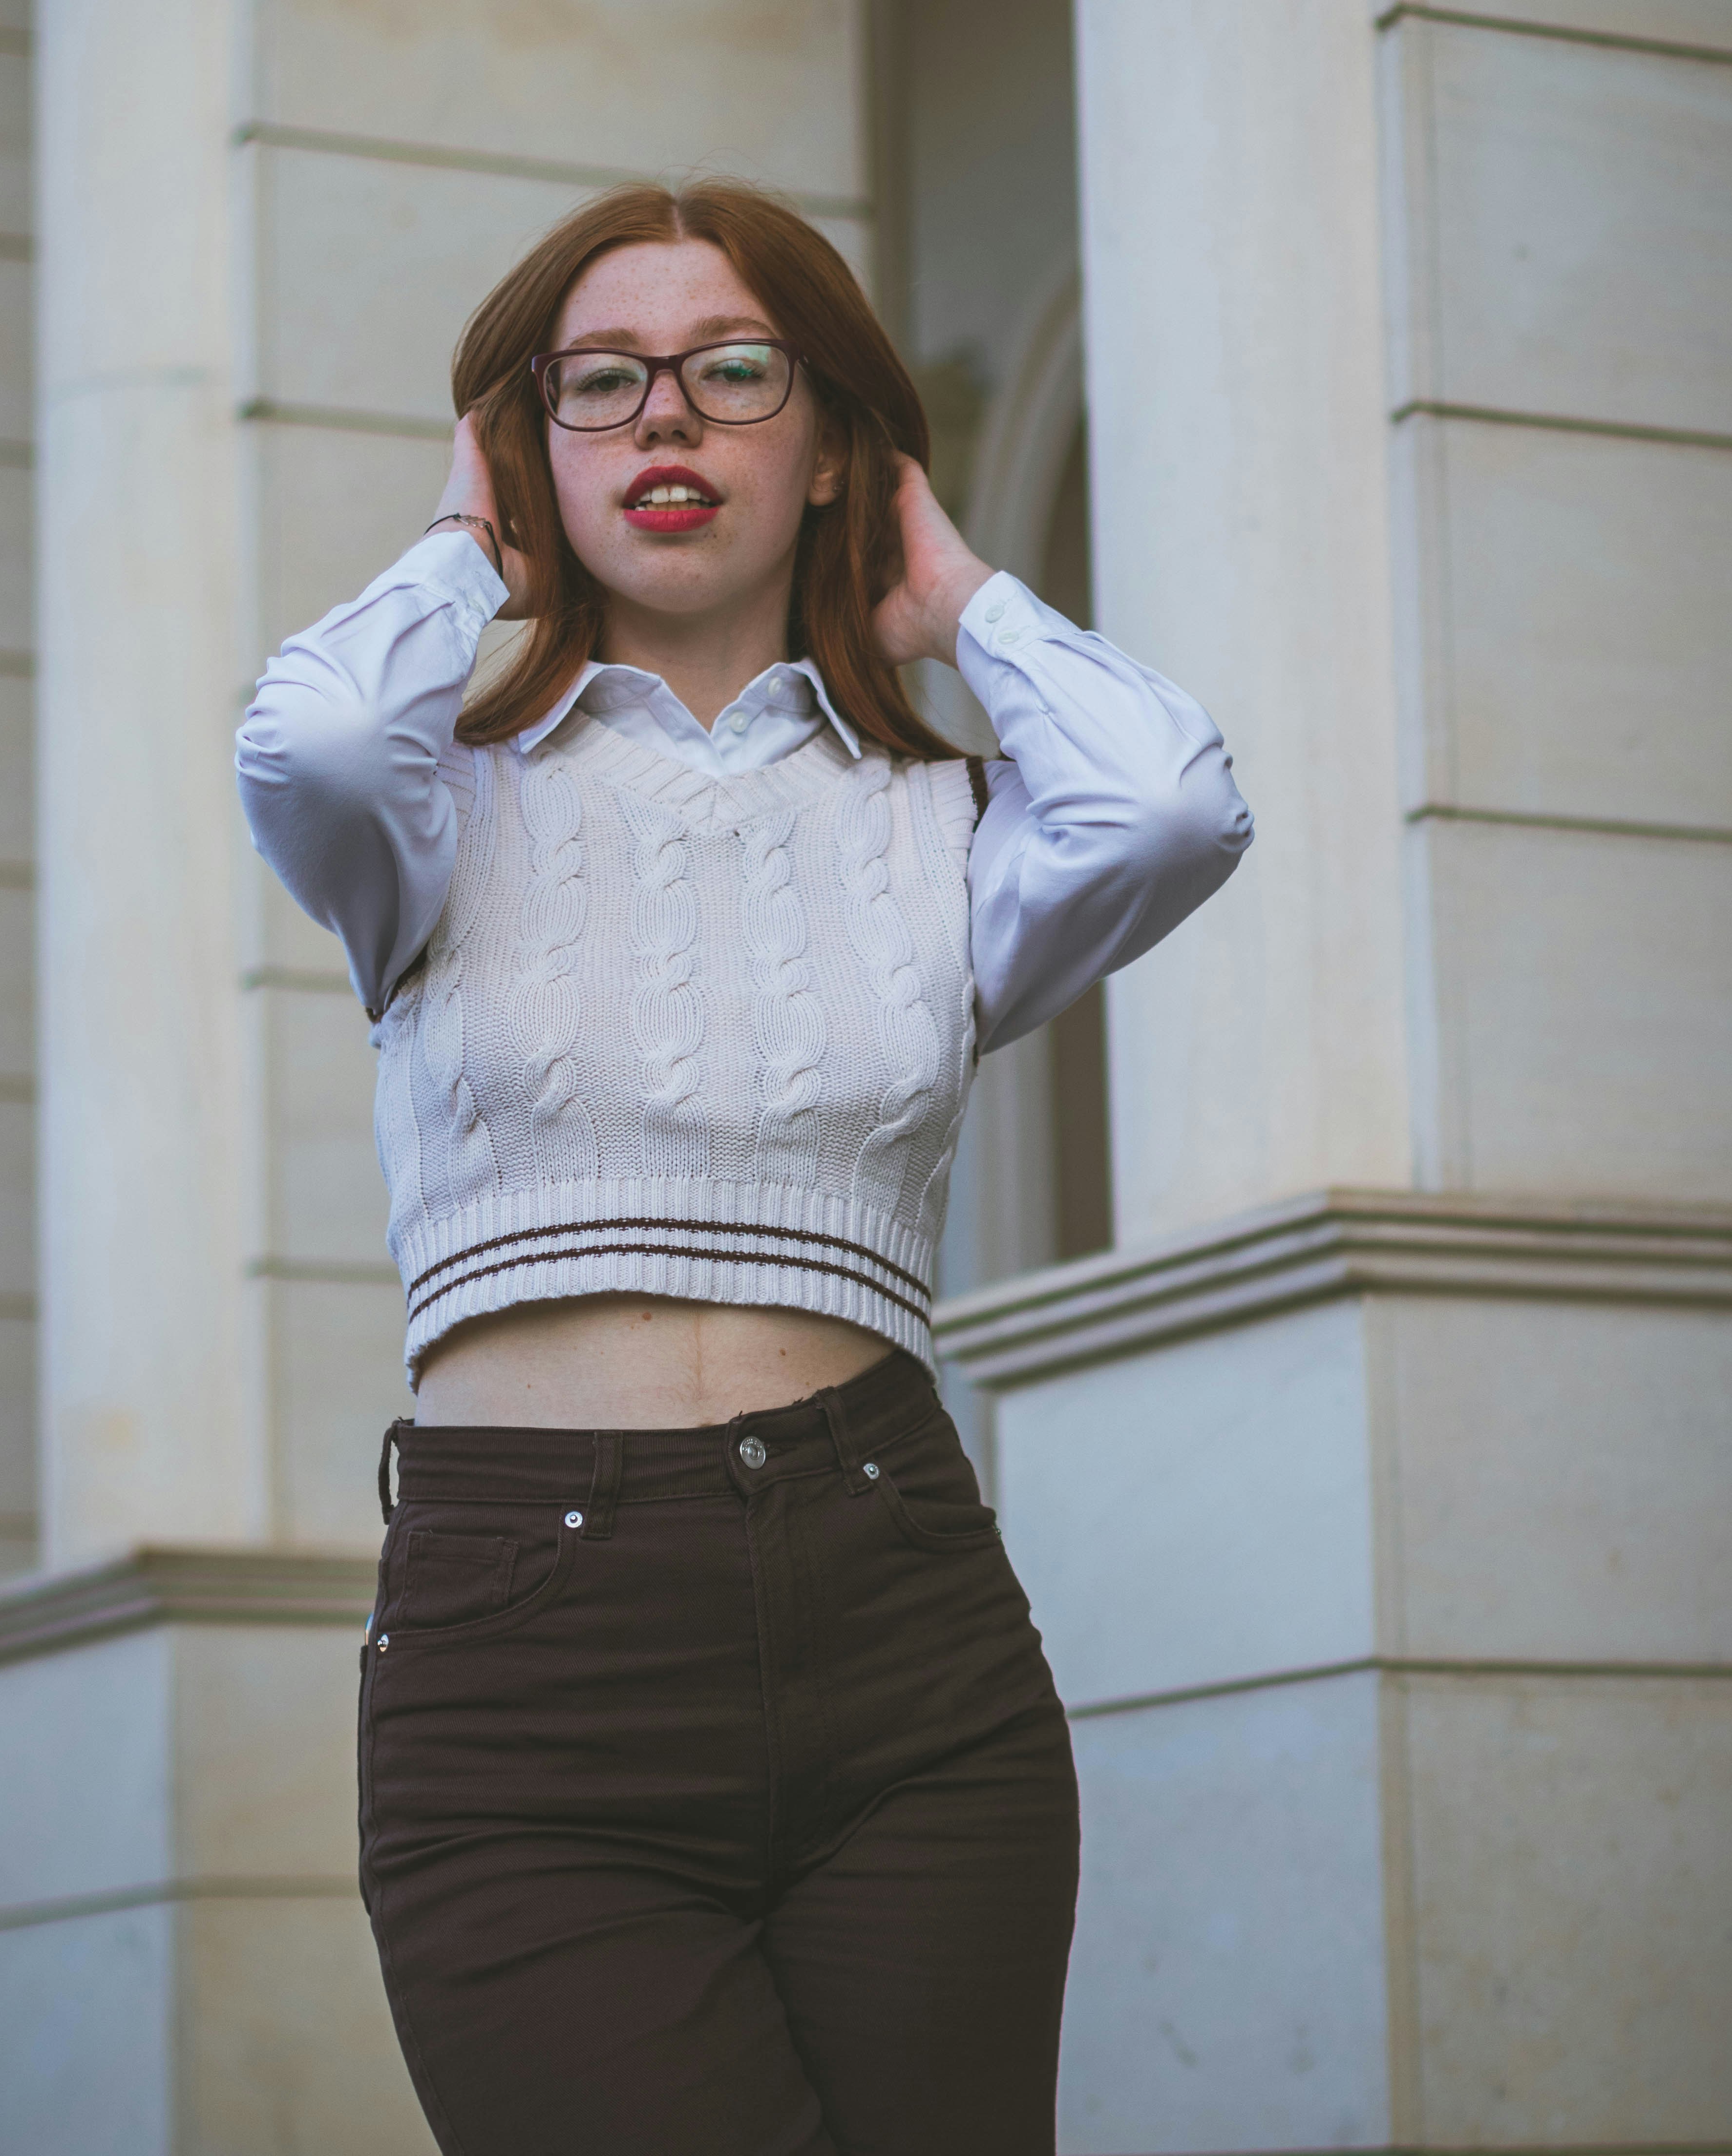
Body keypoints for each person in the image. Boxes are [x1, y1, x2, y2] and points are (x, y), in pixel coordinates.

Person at [236, 179, 1251, 2156]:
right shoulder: (432, 809)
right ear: (532, 448)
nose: (667, 419)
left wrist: (956, 602)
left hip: (905, 1632)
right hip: (529, 1663)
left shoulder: (949, 827)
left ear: (833, 443)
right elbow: (315, 748)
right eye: (599, 384)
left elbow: (1168, 811)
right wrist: (462, 551)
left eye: (734, 370)